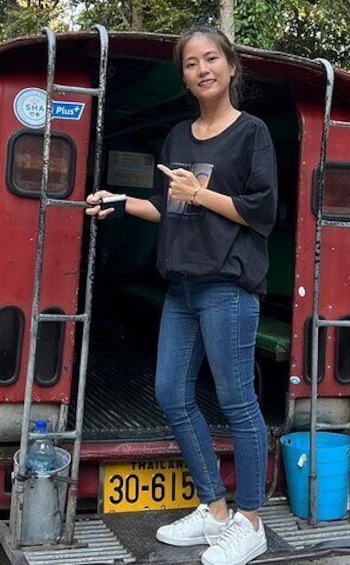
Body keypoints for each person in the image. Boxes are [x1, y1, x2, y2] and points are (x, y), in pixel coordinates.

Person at [86, 25, 277, 565]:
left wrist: (202, 192)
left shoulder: (253, 134)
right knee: (172, 393)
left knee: (240, 403)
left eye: (211, 59)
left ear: (231, 65)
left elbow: (260, 212)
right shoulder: (177, 137)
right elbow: (170, 206)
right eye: (191, 64)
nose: (202, 70)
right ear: (186, 77)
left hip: (229, 288)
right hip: (183, 288)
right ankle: (214, 508)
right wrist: (120, 202)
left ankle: (251, 521)